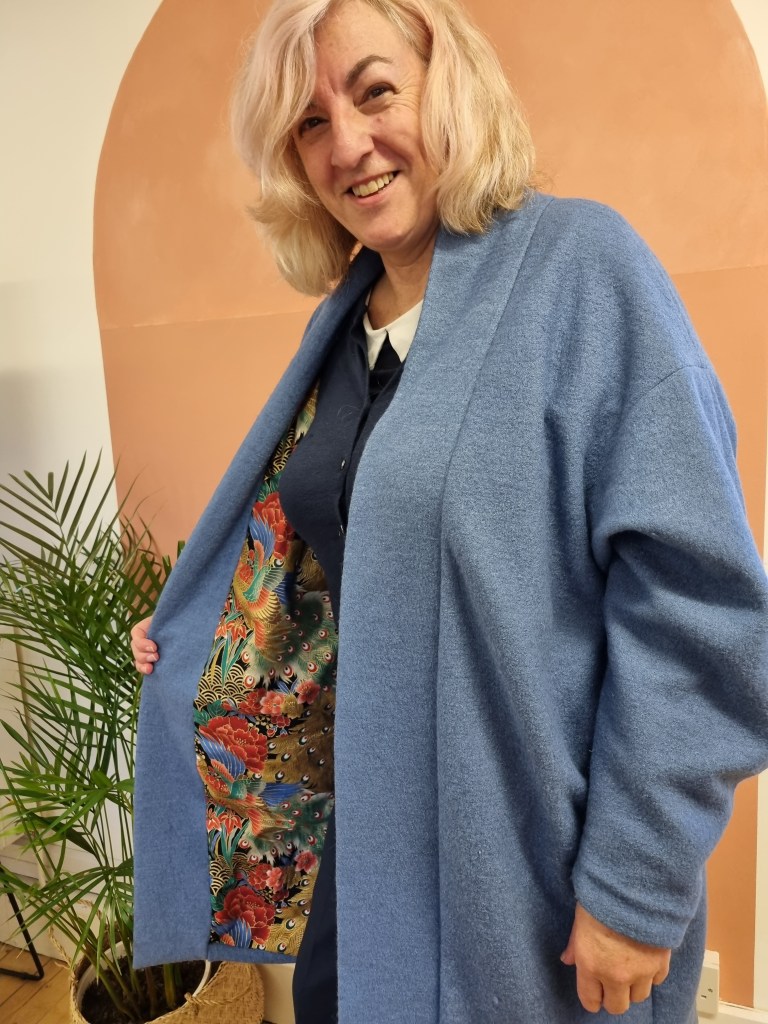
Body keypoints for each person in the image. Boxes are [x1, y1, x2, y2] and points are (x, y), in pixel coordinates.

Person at [130, 0, 768, 1021]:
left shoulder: (583, 271)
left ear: (450, 85)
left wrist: (638, 883)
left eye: (375, 91)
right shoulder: (346, 325)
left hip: (527, 876)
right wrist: (212, 633)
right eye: (309, 122)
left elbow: (701, 609)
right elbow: (348, 557)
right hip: (365, 864)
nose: (348, 144)